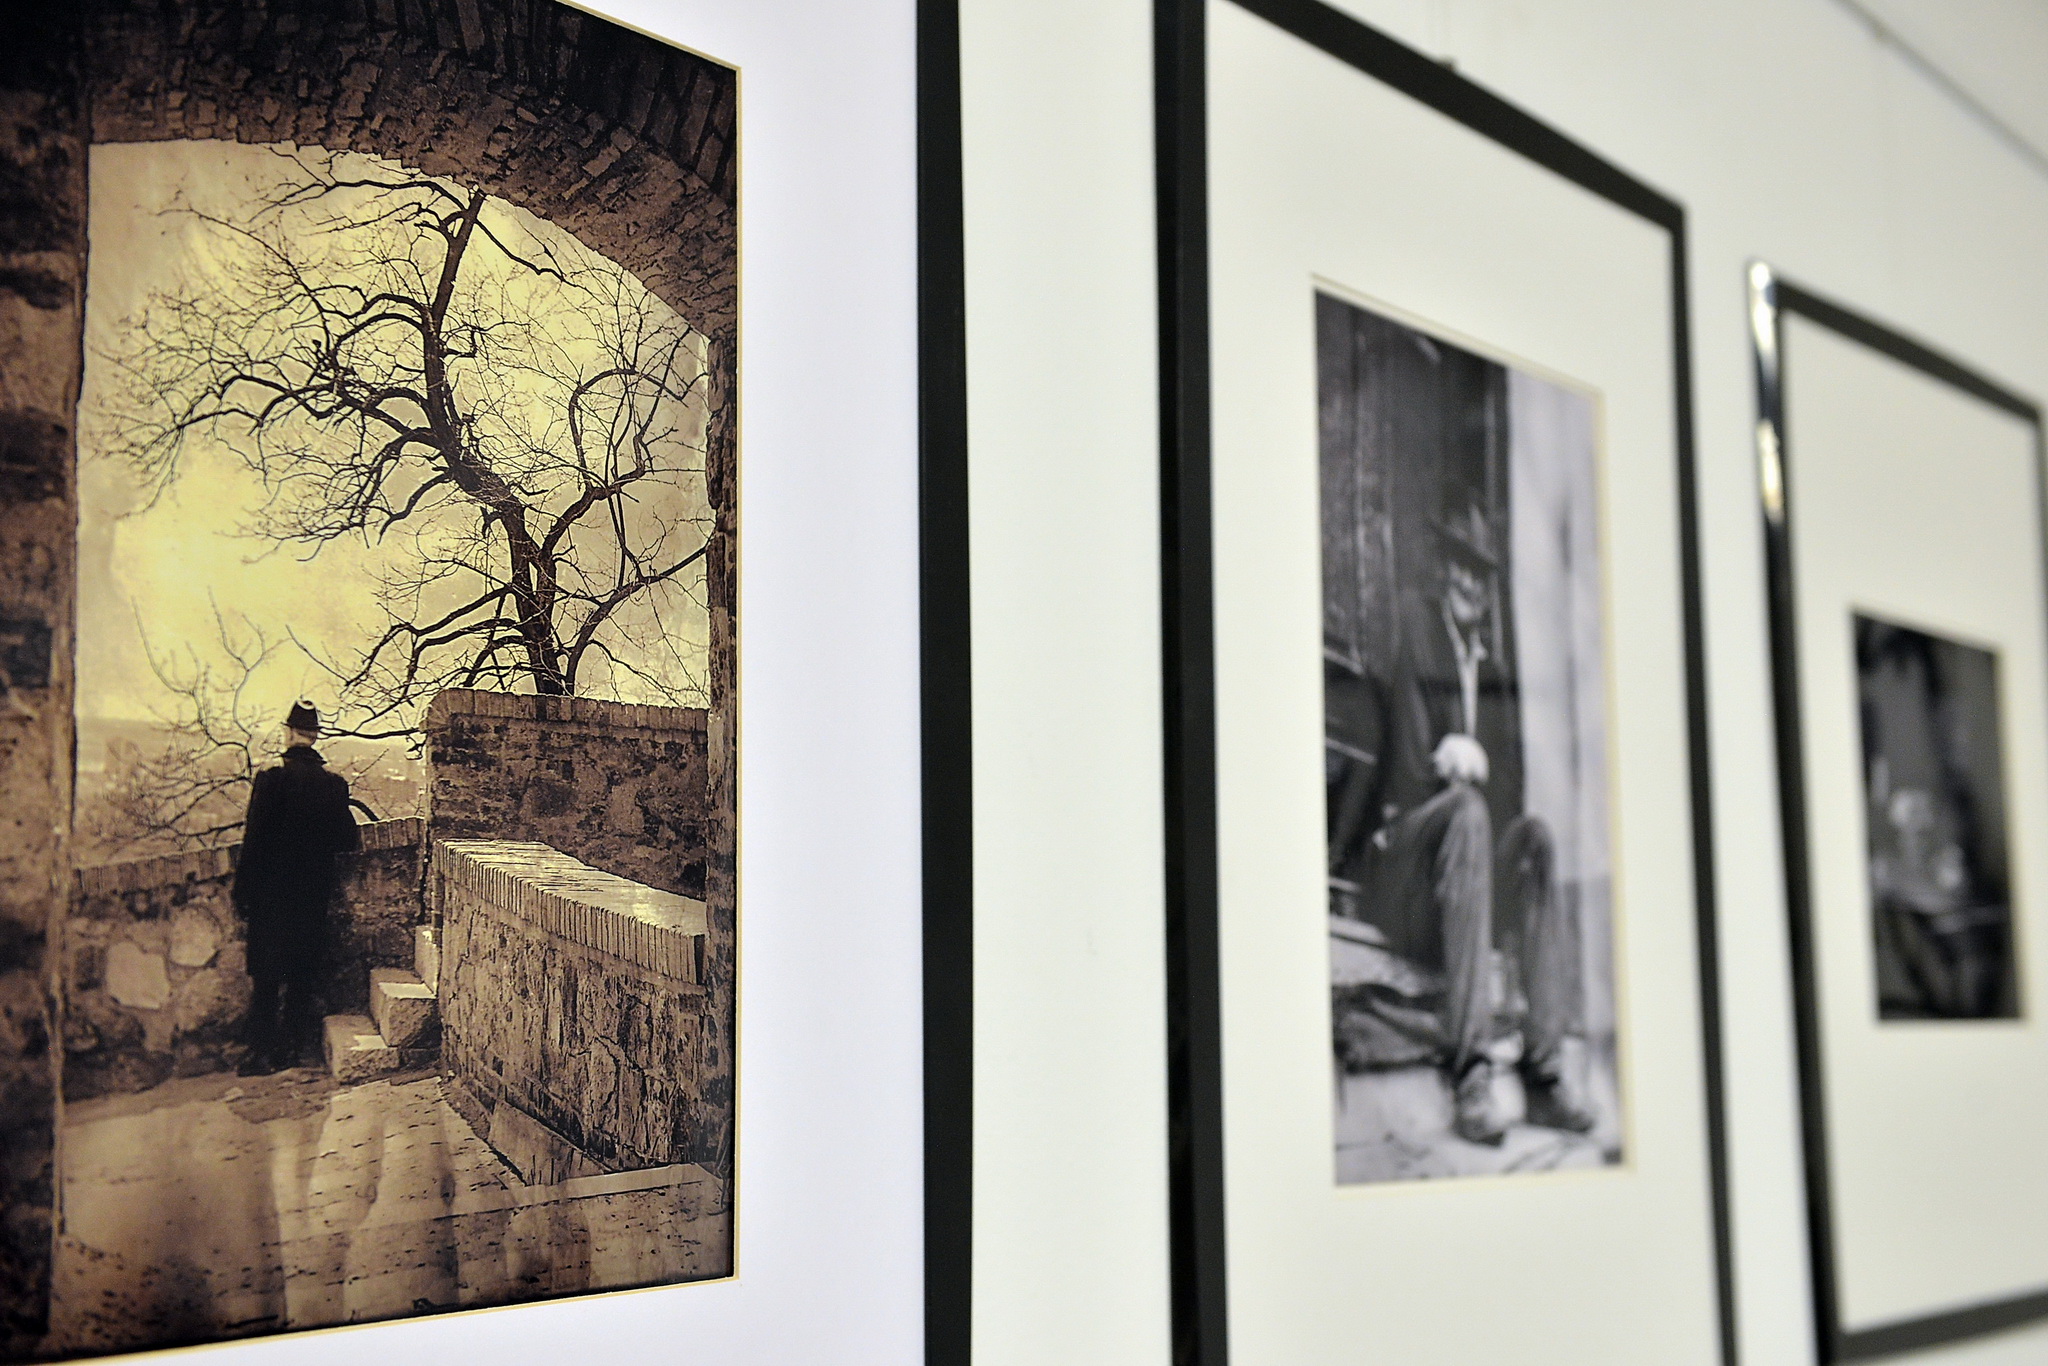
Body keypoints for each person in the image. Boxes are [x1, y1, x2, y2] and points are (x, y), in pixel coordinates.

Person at [1326, 503, 1595, 1146]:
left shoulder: (1494, 672)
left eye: (1481, 573)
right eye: (1460, 567)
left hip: (1464, 871)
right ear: (1443, 570)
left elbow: (1510, 793)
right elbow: (1408, 775)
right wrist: (1454, 769)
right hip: (1406, 875)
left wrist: (1470, 763)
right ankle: (1472, 1075)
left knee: (1534, 839)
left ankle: (1542, 1073)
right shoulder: (1417, 632)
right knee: (1470, 811)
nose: (1470, 583)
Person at [231, 701, 359, 1074]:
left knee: (266, 978)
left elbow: (253, 842)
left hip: (271, 897)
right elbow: (347, 840)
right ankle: (291, 1049)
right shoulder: (334, 786)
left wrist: (242, 892)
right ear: (315, 736)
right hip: (311, 897)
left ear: (288, 734)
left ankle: (261, 1052)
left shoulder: (271, 780)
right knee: (301, 976)